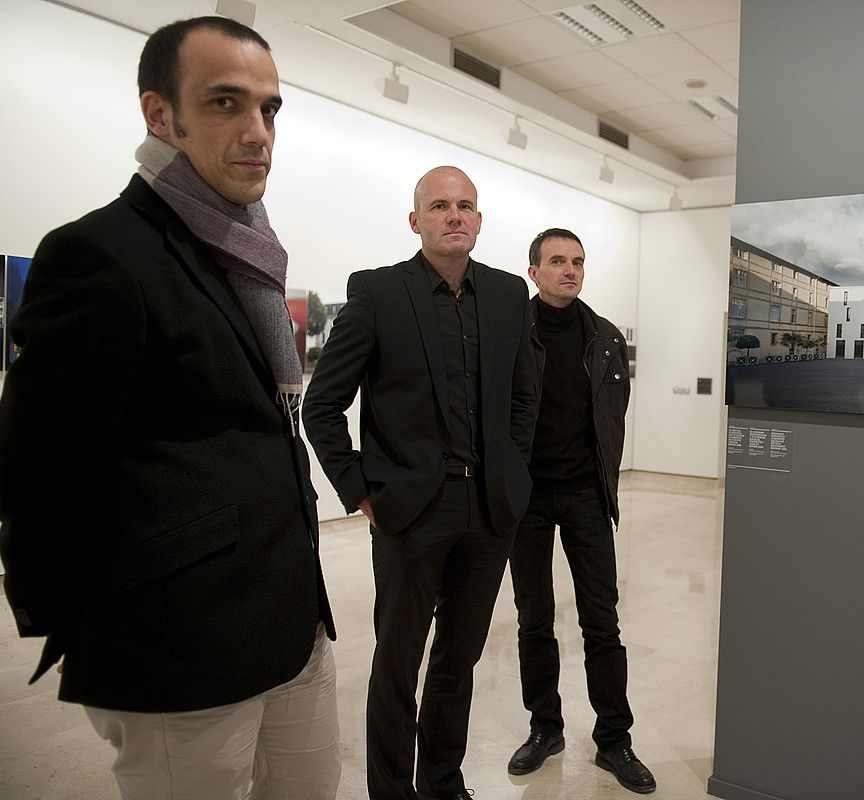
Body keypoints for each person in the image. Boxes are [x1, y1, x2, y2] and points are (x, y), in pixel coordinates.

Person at [0, 16, 338, 800]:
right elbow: (40, 472)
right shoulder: (102, 255)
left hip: (292, 623)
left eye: (270, 108)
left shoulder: (243, 248)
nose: (257, 131)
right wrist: (93, 627)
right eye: (225, 102)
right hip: (178, 646)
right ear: (161, 115)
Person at [302, 166, 538, 800]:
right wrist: (359, 491)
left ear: (480, 222)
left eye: (465, 206)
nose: (453, 215)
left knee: (458, 664)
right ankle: (391, 793)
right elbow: (322, 405)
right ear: (416, 221)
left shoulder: (509, 294)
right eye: (439, 205)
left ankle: (442, 781)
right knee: (397, 668)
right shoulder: (379, 294)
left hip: (488, 512)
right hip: (409, 511)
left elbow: (523, 397)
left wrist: (512, 471)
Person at [506, 228, 655, 793]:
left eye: (578, 261)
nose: (570, 270)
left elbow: (611, 418)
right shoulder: (511, 335)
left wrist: (605, 483)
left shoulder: (606, 338)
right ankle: (545, 728)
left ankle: (614, 740)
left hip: (586, 495)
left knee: (602, 621)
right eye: (557, 261)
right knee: (534, 619)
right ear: (534, 271)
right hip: (528, 498)